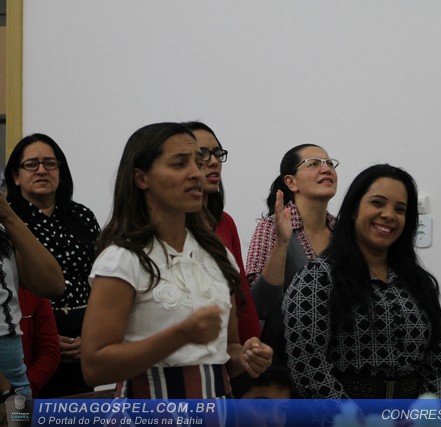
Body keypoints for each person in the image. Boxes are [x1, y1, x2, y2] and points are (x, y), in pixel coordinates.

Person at [81, 122, 272, 401]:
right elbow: (95, 367)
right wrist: (179, 335)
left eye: (197, 162)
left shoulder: (217, 254)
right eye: (180, 164)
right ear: (141, 178)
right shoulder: (123, 259)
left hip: (217, 409)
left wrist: (245, 355)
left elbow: (229, 348)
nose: (196, 173)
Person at [283, 164, 441, 399]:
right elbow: (308, 368)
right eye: (377, 203)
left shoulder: (420, 283)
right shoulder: (318, 278)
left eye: (400, 209)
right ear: (353, 209)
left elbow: (435, 365)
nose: (389, 215)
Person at [5, 133, 100, 397]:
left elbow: (99, 278)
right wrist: (45, 337)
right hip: (31, 336)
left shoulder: (82, 216)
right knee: (23, 411)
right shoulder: (8, 220)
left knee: (77, 411)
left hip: (84, 337)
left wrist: (92, 335)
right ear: (16, 176)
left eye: (50, 163)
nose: (42, 170)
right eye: (31, 164)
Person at [246, 144, 338, 363]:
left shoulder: (344, 232)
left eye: (330, 163)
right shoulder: (271, 227)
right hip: (285, 357)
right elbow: (258, 306)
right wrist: (282, 243)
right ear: (291, 182)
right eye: (313, 164)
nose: (326, 169)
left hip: (338, 356)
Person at [183, 121, 261, 343]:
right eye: (203, 153)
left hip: (230, 351)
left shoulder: (225, 222)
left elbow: (242, 294)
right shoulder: (169, 227)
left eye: (218, 153)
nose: (214, 161)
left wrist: (251, 346)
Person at [0, 191, 64, 400]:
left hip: (15, 374)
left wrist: (8, 215)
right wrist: (4, 387)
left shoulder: (3, 227)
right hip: (7, 381)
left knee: (19, 417)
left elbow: (53, 285)